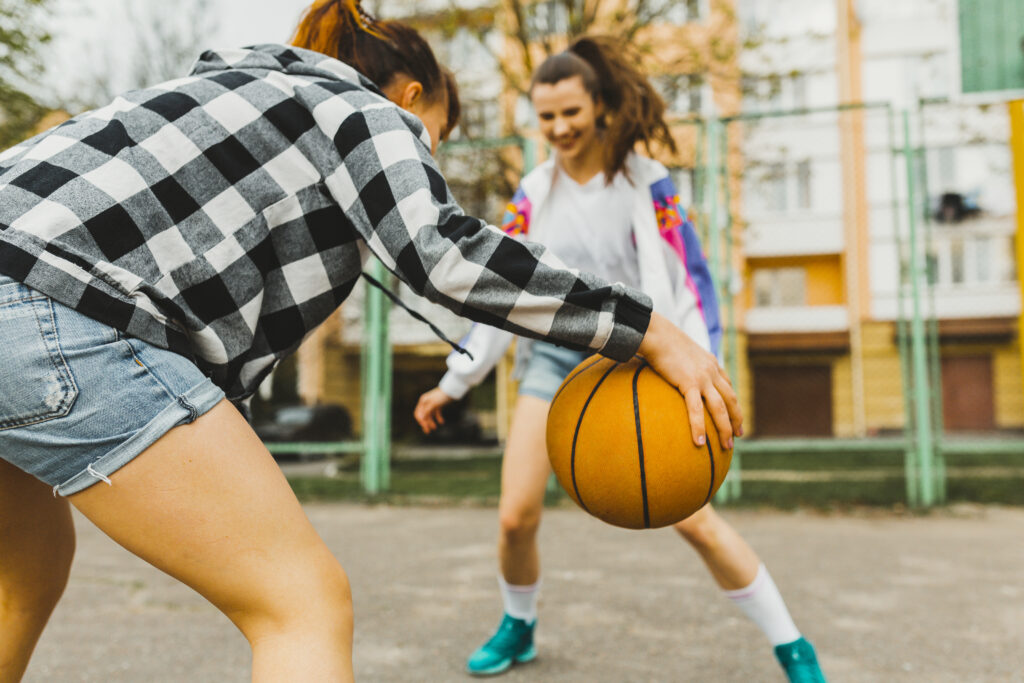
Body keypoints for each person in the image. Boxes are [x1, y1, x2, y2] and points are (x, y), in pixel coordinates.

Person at [0, 2, 742, 681]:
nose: (427, 166)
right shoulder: (363, 110)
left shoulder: (226, 95)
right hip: (55, 314)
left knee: (23, 574)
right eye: (434, 145)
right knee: (303, 602)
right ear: (413, 97)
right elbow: (443, 250)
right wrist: (644, 328)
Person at [414, 37, 826, 682]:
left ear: (599, 105)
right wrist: (456, 379)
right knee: (515, 515)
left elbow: (692, 281)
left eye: (570, 112)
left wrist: (703, 369)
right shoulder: (534, 190)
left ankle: (791, 643)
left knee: (695, 521)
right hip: (553, 360)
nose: (559, 128)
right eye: (546, 117)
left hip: (643, 359)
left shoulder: (645, 180)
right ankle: (518, 625)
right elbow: (503, 292)